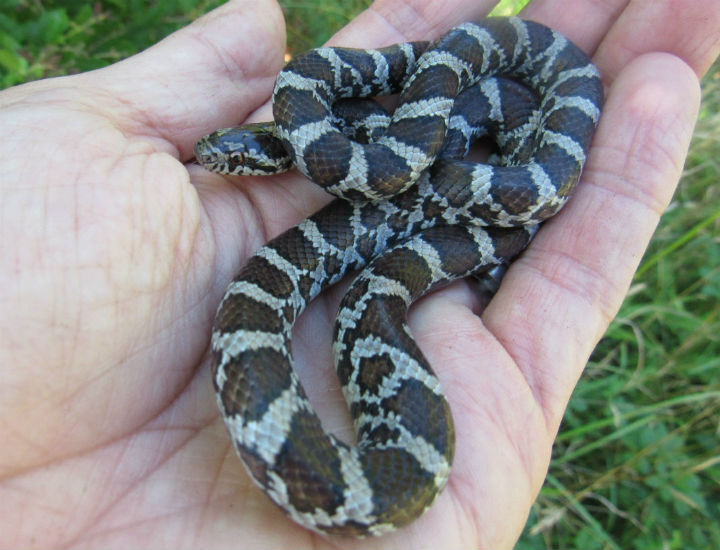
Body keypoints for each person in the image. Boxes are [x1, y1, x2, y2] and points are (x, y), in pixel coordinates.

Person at [1, 0, 718, 547]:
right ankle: (498, 210)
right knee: (364, 286)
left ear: (272, 155)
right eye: (225, 155)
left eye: (235, 156)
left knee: (378, 291)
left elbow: (398, 161)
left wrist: (485, 191)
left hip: (457, 147)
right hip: (411, 163)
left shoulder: (355, 142)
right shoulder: (326, 126)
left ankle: (503, 207)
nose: (219, 158)